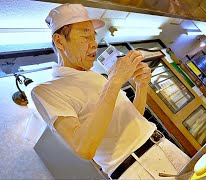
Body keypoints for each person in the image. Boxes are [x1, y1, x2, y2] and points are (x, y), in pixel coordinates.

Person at [31, 3, 190, 179]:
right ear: (59, 41)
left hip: (162, 144)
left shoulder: (97, 77)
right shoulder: (46, 91)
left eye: (94, 36)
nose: (94, 44)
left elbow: (134, 118)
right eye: (85, 36)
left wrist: (141, 86)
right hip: (137, 168)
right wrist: (114, 82)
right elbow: (83, 148)